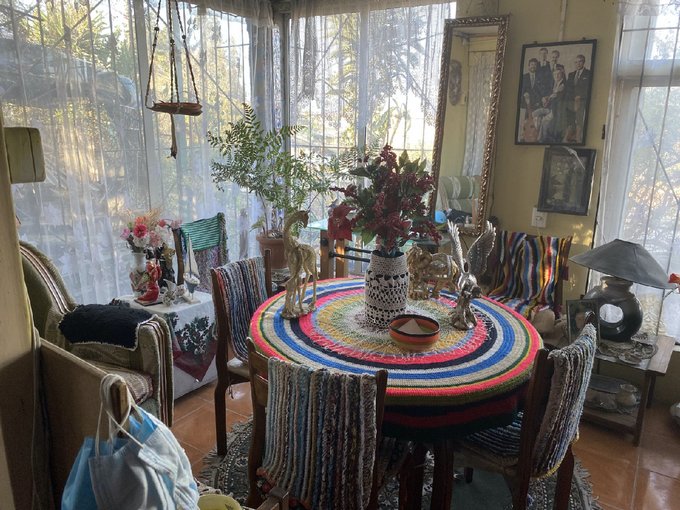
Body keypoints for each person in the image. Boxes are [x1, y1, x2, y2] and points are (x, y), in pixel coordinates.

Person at [565, 54, 592, 142]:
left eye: (580, 62)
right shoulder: (571, 74)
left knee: (579, 119)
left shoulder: (588, 74)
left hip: (582, 101)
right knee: (570, 119)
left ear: (583, 62)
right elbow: (568, 88)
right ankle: (569, 136)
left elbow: (588, 89)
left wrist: (580, 97)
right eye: (576, 62)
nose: (578, 64)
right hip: (571, 101)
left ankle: (578, 137)